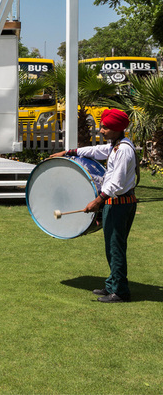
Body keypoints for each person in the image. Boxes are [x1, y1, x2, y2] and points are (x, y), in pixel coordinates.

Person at [50, 108, 138, 303]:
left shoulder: (123, 150)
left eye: (105, 127)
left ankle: (121, 292)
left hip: (119, 204)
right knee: (112, 247)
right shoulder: (117, 144)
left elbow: (118, 183)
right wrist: (68, 152)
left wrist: (97, 201)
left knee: (116, 248)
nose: (101, 130)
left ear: (116, 129)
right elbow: (96, 151)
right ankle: (111, 285)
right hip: (116, 204)